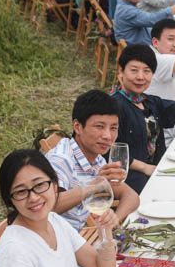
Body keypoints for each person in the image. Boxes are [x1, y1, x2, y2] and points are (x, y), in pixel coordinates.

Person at [112, 45, 175, 192]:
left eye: (147, 71)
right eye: (134, 70)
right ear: (121, 72)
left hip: (157, 171)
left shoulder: (150, 102)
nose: (140, 77)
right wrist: (145, 168)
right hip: (131, 180)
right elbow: (111, 151)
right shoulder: (113, 106)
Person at [45, 90, 140, 233]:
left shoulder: (96, 158)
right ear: (77, 127)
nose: (108, 136)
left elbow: (132, 196)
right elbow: (49, 205)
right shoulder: (61, 160)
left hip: (84, 236)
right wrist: (94, 185)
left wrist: (114, 219)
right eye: (99, 127)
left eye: (113, 128)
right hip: (61, 244)